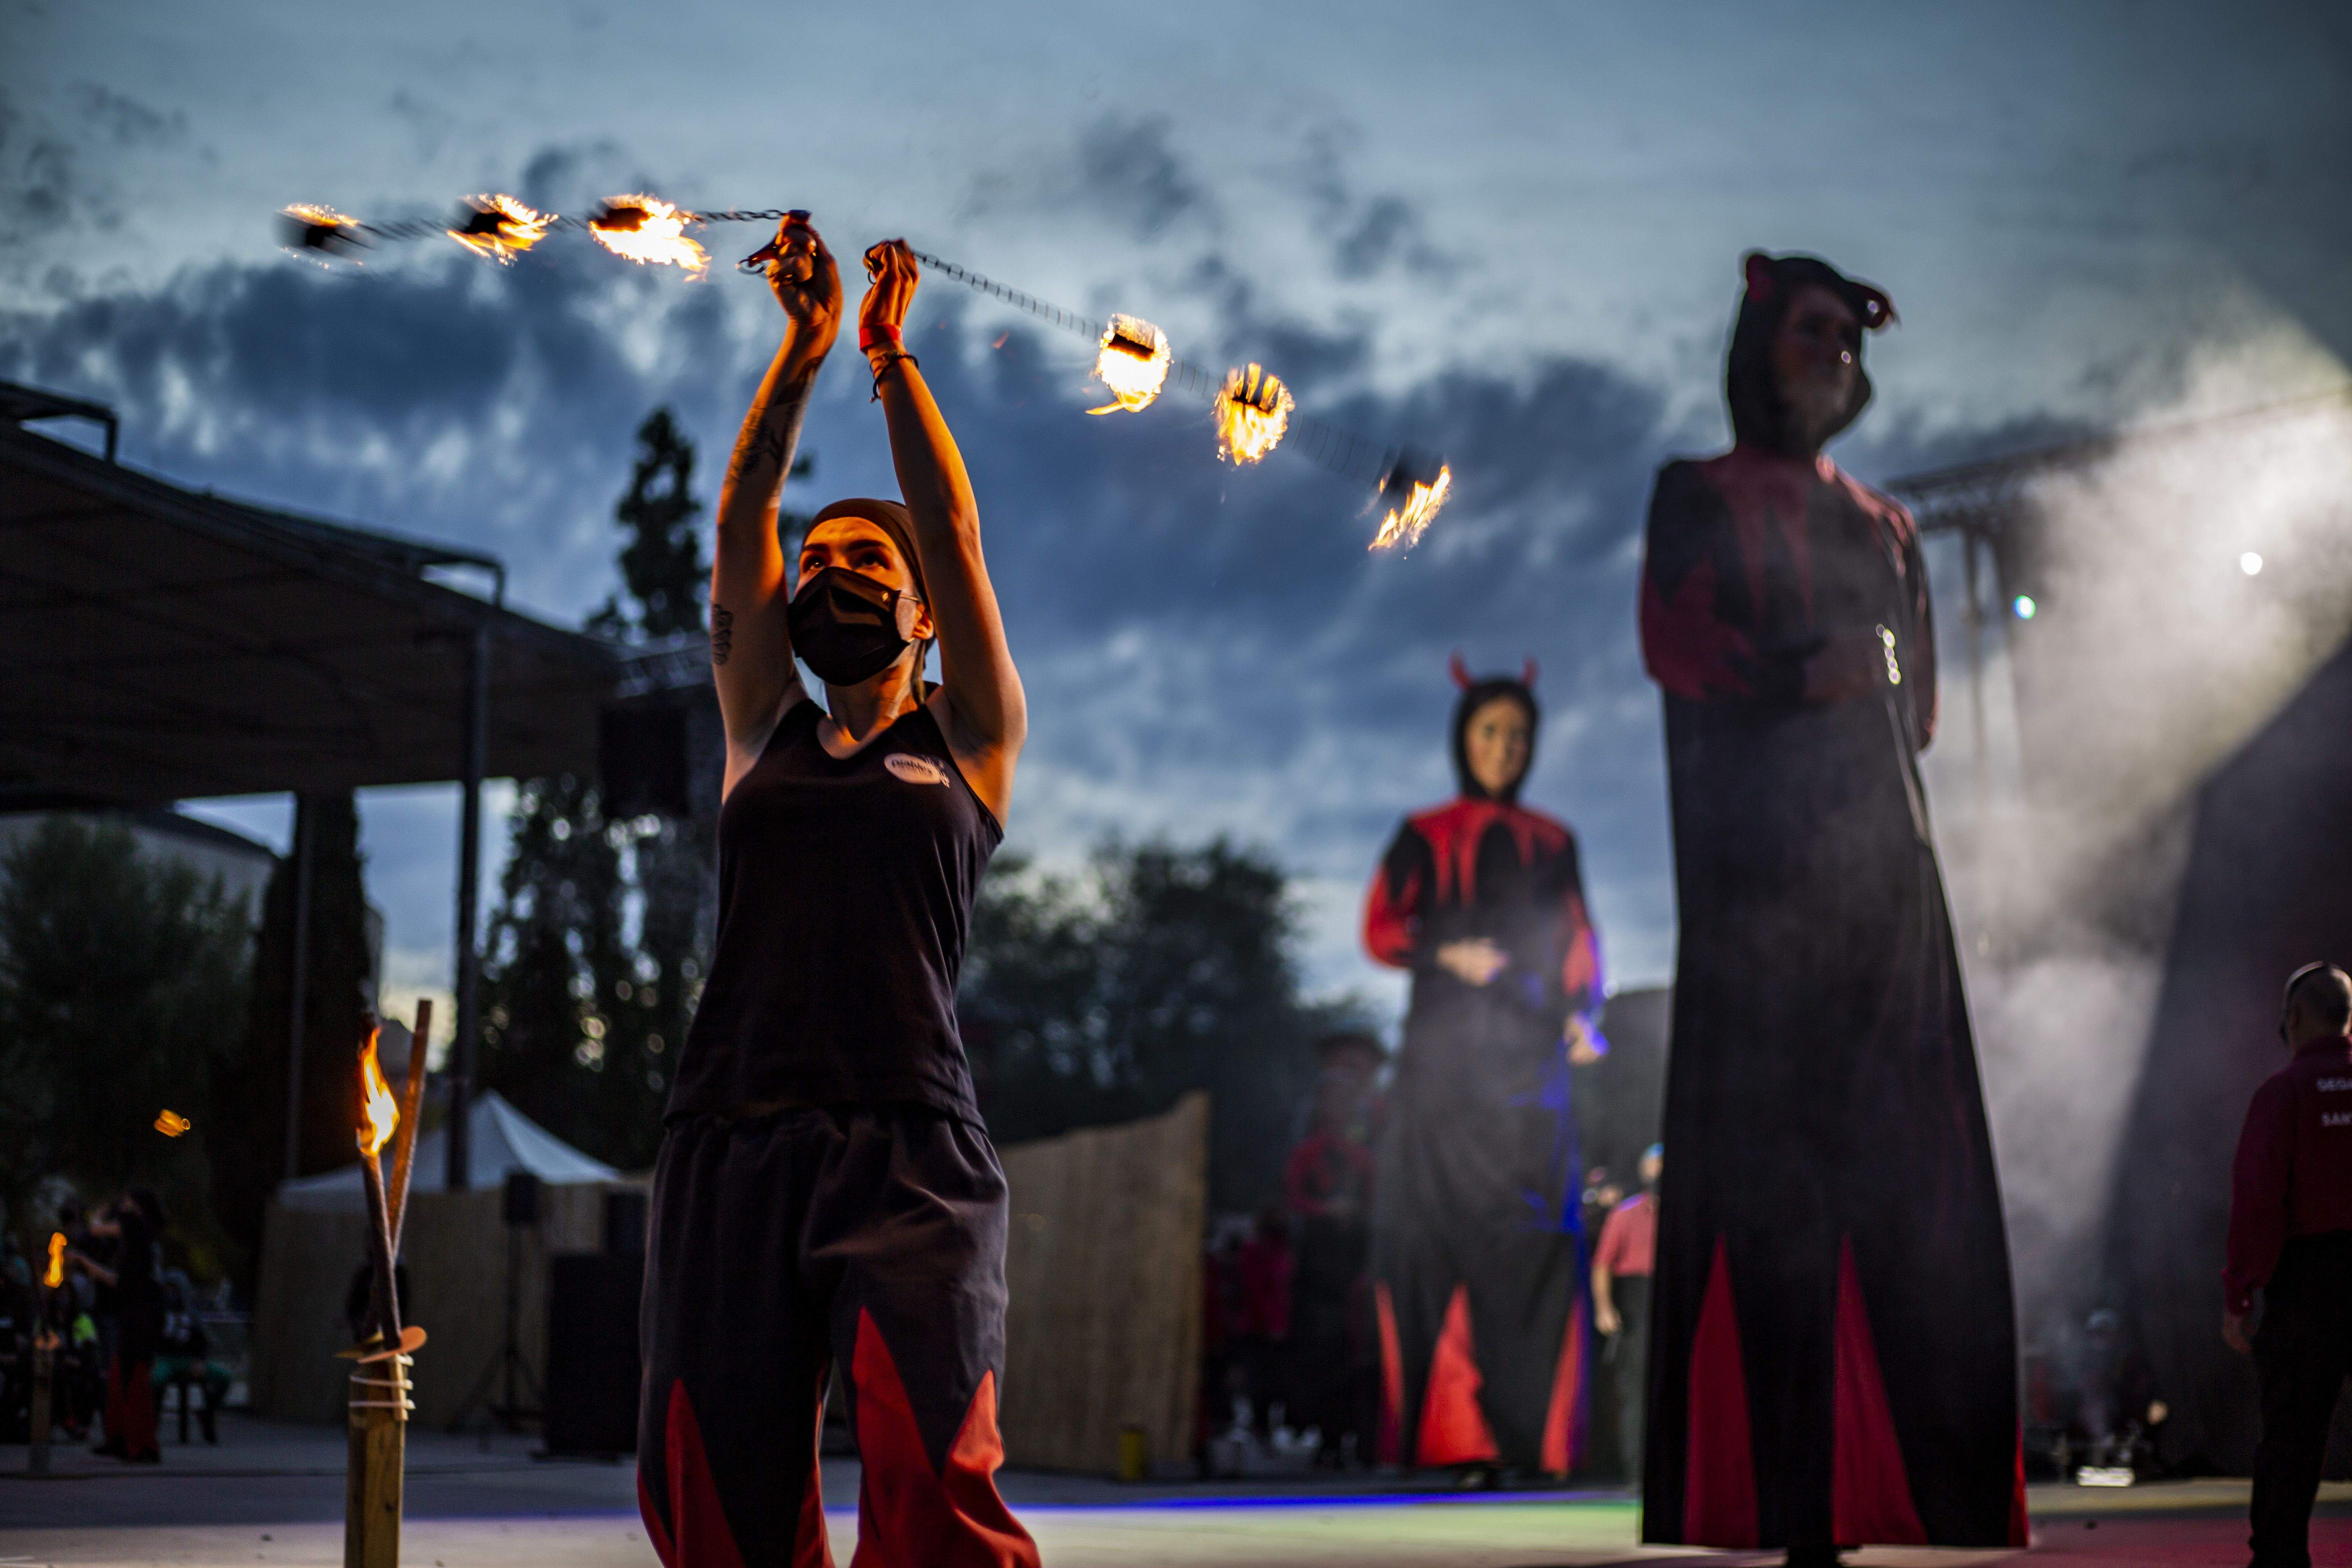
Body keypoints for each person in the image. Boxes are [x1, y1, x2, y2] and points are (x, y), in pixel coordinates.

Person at [636, 215, 1038, 1568]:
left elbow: (954, 530)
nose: (831, 569)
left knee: (935, 1489)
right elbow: (741, 519)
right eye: (818, 560)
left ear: (925, 618)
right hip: (730, 1134)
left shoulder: (970, 737)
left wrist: (884, 356)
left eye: (868, 560)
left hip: (909, 1145)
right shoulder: (763, 731)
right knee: (716, 1498)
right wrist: (800, 349)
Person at [1637, 252, 2022, 1564]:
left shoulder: (1887, 521)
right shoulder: (1697, 493)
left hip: (1887, 880)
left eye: (1847, 341)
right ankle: (1799, 1511)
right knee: (1776, 1180)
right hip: (1763, 888)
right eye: (1810, 332)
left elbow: (1919, 706)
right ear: (1759, 344)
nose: (1833, 357)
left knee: (1906, 1174)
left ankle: (1914, 1486)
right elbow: (1676, 644)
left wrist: (1879, 682)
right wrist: (1810, 674)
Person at [1362, 658, 1603, 1479]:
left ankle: (1537, 1442)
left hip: (1529, 1071)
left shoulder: (1555, 841)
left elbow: (1580, 939)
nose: (1505, 748)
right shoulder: (1424, 832)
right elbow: (1381, 927)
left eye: (1519, 736)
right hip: (1444, 1068)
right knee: (1435, 1241)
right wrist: (1442, 952)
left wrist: (1582, 1013)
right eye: (1490, 732)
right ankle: (1456, 1440)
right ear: (1463, 738)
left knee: (1533, 1240)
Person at [2223, 961, 2352, 1568]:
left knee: (2293, 1439)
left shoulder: (2283, 1095)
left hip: (2310, 1286)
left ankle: (2279, 1560)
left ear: (2294, 1017)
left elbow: (2258, 1203)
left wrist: (2239, 1297)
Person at [1285, 1033, 1384, 1468]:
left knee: (1360, 1346)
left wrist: (1360, 1215)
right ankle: (1327, 1436)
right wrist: (1324, 1211)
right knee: (1321, 1347)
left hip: (1356, 1256)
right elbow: (1295, 1193)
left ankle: (1361, 1437)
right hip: (1319, 1259)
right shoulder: (1309, 1149)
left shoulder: (1366, 1147)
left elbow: (1375, 1193)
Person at [76, 1187, 165, 1463]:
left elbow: (96, 1230)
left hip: (142, 1315)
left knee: (133, 1374)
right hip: (138, 1311)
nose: (122, 1205)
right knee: (119, 1373)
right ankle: (118, 1439)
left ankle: (141, 1445)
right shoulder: (140, 1237)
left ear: (136, 1205)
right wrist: (87, 1265)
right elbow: (120, 1282)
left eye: (126, 1201)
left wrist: (98, 1215)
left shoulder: (135, 1224)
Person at [1592, 1144, 1661, 1484]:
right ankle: (1637, 1470)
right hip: (1637, 1301)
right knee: (1636, 1389)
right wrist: (1605, 1308)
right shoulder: (1626, 1214)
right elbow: (1603, 1264)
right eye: (1654, 1167)